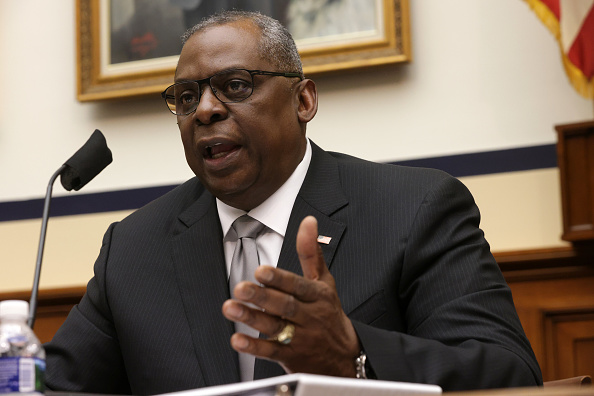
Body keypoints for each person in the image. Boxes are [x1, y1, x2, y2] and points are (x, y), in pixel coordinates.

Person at [45, 10, 542, 395]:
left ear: (303, 101)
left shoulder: (414, 208)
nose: (207, 110)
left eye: (235, 85)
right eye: (187, 96)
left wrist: (354, 355)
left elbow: (508, 376)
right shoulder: (133, 249)